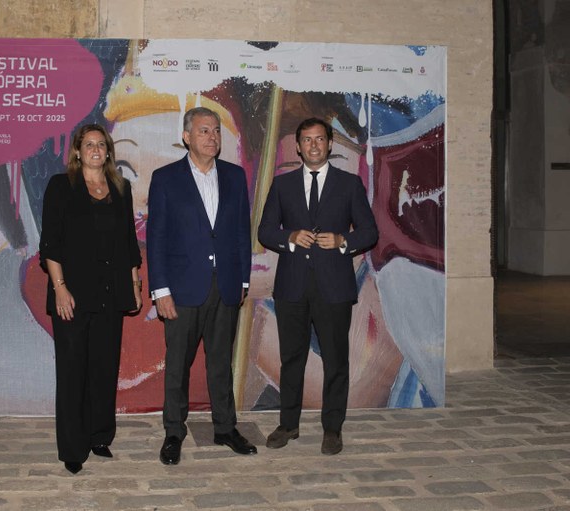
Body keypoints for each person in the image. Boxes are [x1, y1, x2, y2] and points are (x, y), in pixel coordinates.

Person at [257, 117, 378, 455]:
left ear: (329, 144)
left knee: (336, 360)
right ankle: (288, 424)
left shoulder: (349, 184)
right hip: (292, 287)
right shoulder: (282, 185)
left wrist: (342, 241)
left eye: (319, 139)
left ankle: (332, 429)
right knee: (291, 359)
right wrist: (290, 237)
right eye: (307, 140)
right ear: (298, 146)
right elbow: (265, 231)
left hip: (334, 287)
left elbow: (369, 232)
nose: (313, 145)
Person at [146, 106, 255, 465]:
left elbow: (241, 233)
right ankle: (173, 432)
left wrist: (242, 279)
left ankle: (225, 428)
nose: (212, 137)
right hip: (182, 289)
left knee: (221, 362)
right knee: (177, 365)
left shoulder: (235, 176)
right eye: (204, 131)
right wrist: (161, 290)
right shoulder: (165, 178)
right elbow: (156, 239)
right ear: (186, 137)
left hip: (226, 286)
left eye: (216, 131)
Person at [39, 123, 143, 474]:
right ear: (77, 151)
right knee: (72, 371)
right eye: (89, 144)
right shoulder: (61, 186)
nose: (96, 149)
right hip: (72, 294)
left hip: (111, 294)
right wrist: (60, 287)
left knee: (103, 367)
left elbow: (129, 243)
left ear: (108, 151)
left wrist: (135, 285)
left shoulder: (121, 188)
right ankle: (73, 447)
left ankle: (99, 436)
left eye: (102, 144)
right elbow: (50, 243)